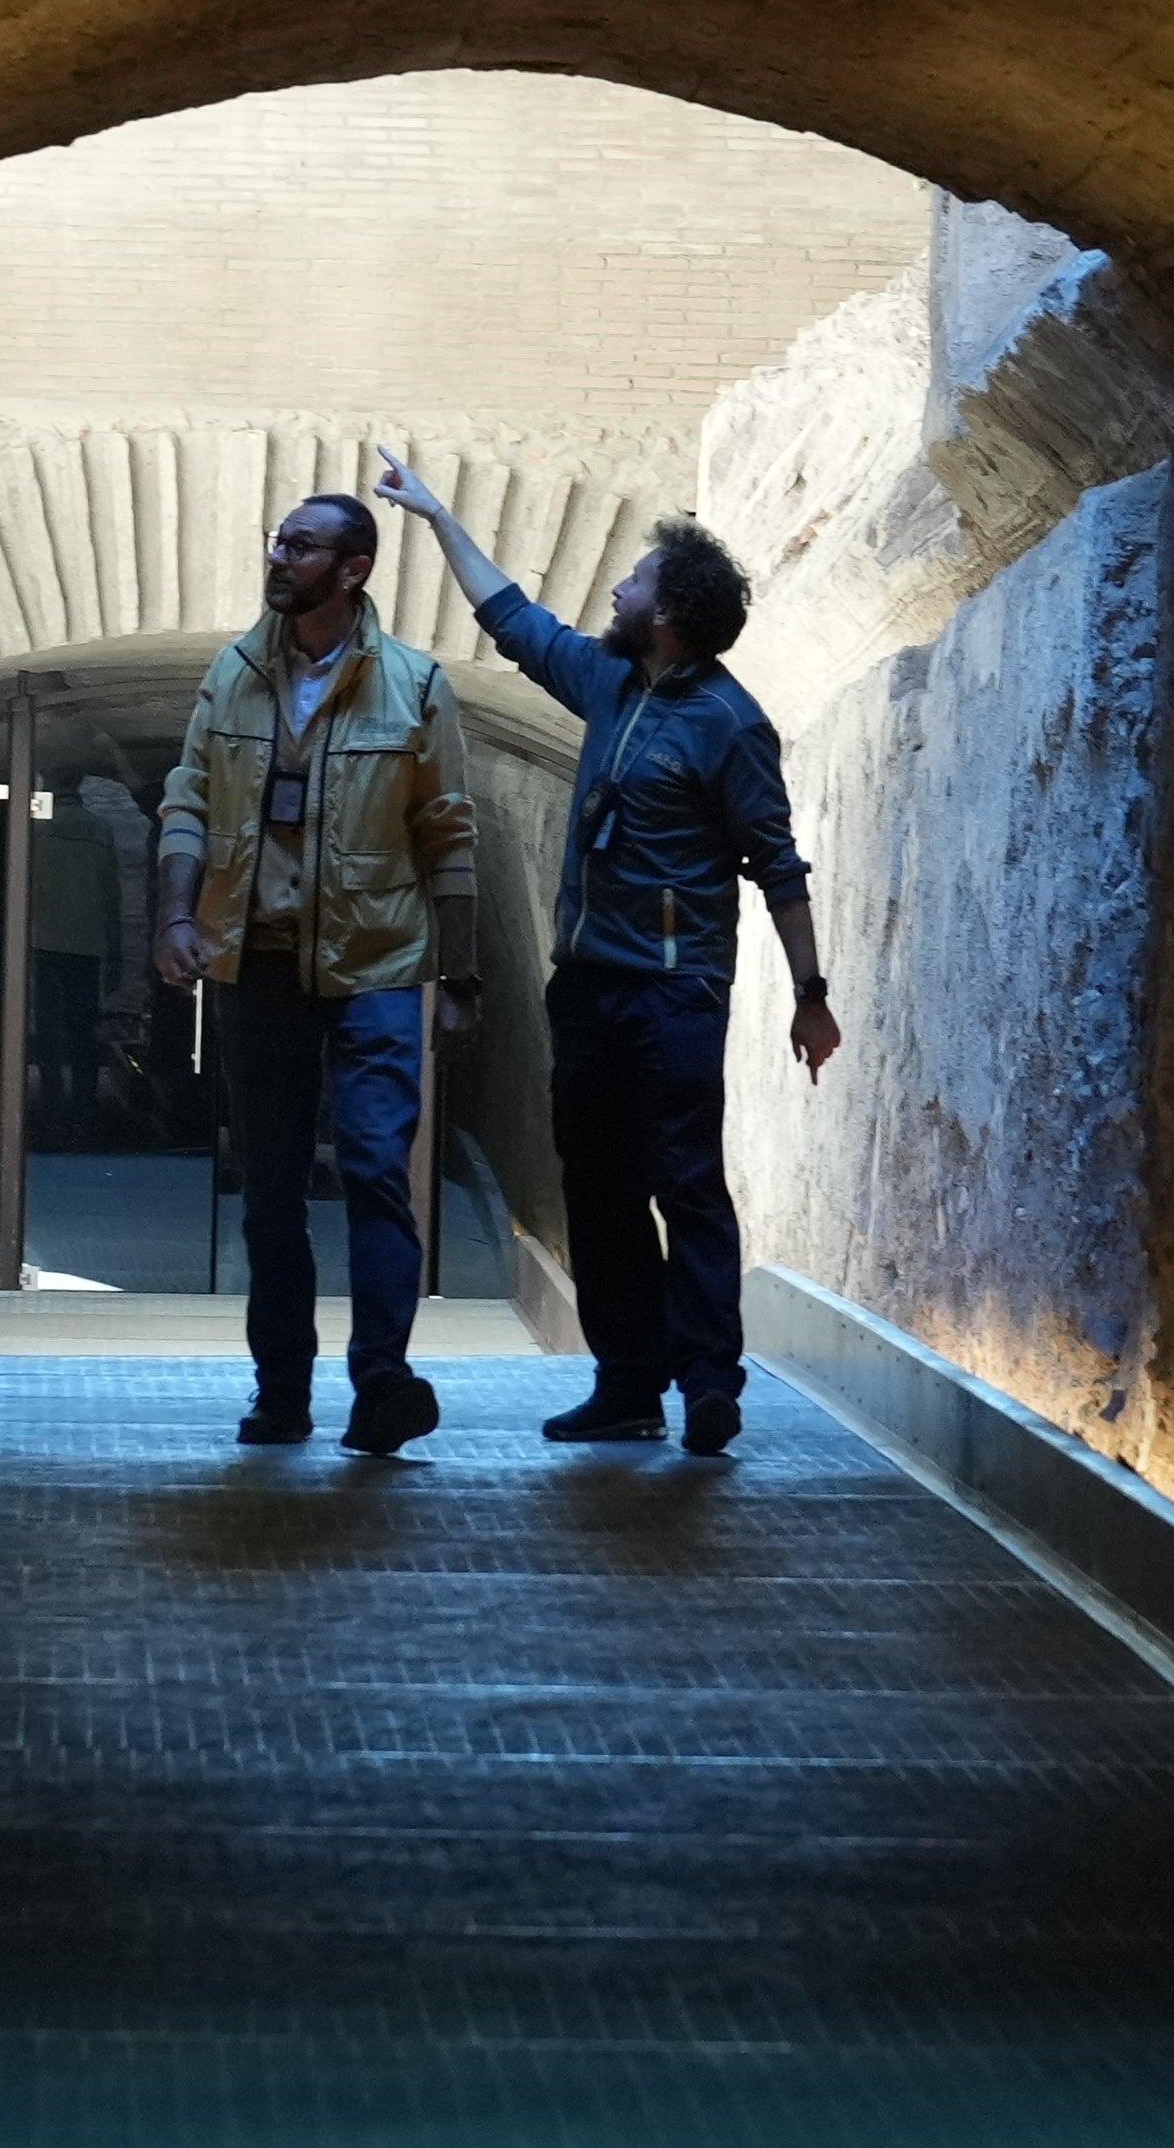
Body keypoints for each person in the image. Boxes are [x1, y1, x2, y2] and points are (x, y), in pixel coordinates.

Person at [374, 453, 837, 1458]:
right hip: (587, 986)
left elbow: (777, 865)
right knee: (596, 1183)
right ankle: (627, 1382)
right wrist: (438, 518)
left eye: (631, 582)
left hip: (674, 993)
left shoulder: (730, 726)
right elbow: (513, 618)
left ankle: (710, 1380)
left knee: (684, 1179)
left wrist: (810, 995)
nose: (615, 591)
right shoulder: (609, 682)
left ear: (667, 611)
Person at [156, 493, 485, 1451]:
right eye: (278, 540)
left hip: (379, 963)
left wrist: (460, 971)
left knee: (381, 1170)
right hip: (256, 962)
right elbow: (188, 797)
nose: (280, 556)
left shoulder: (415, 685)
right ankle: (282, 1390)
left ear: (354, 569)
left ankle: (382, 1381)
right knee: (269, 1188)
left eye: (302, 546)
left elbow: (448, 832)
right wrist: (179, 915)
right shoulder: (234, 671)